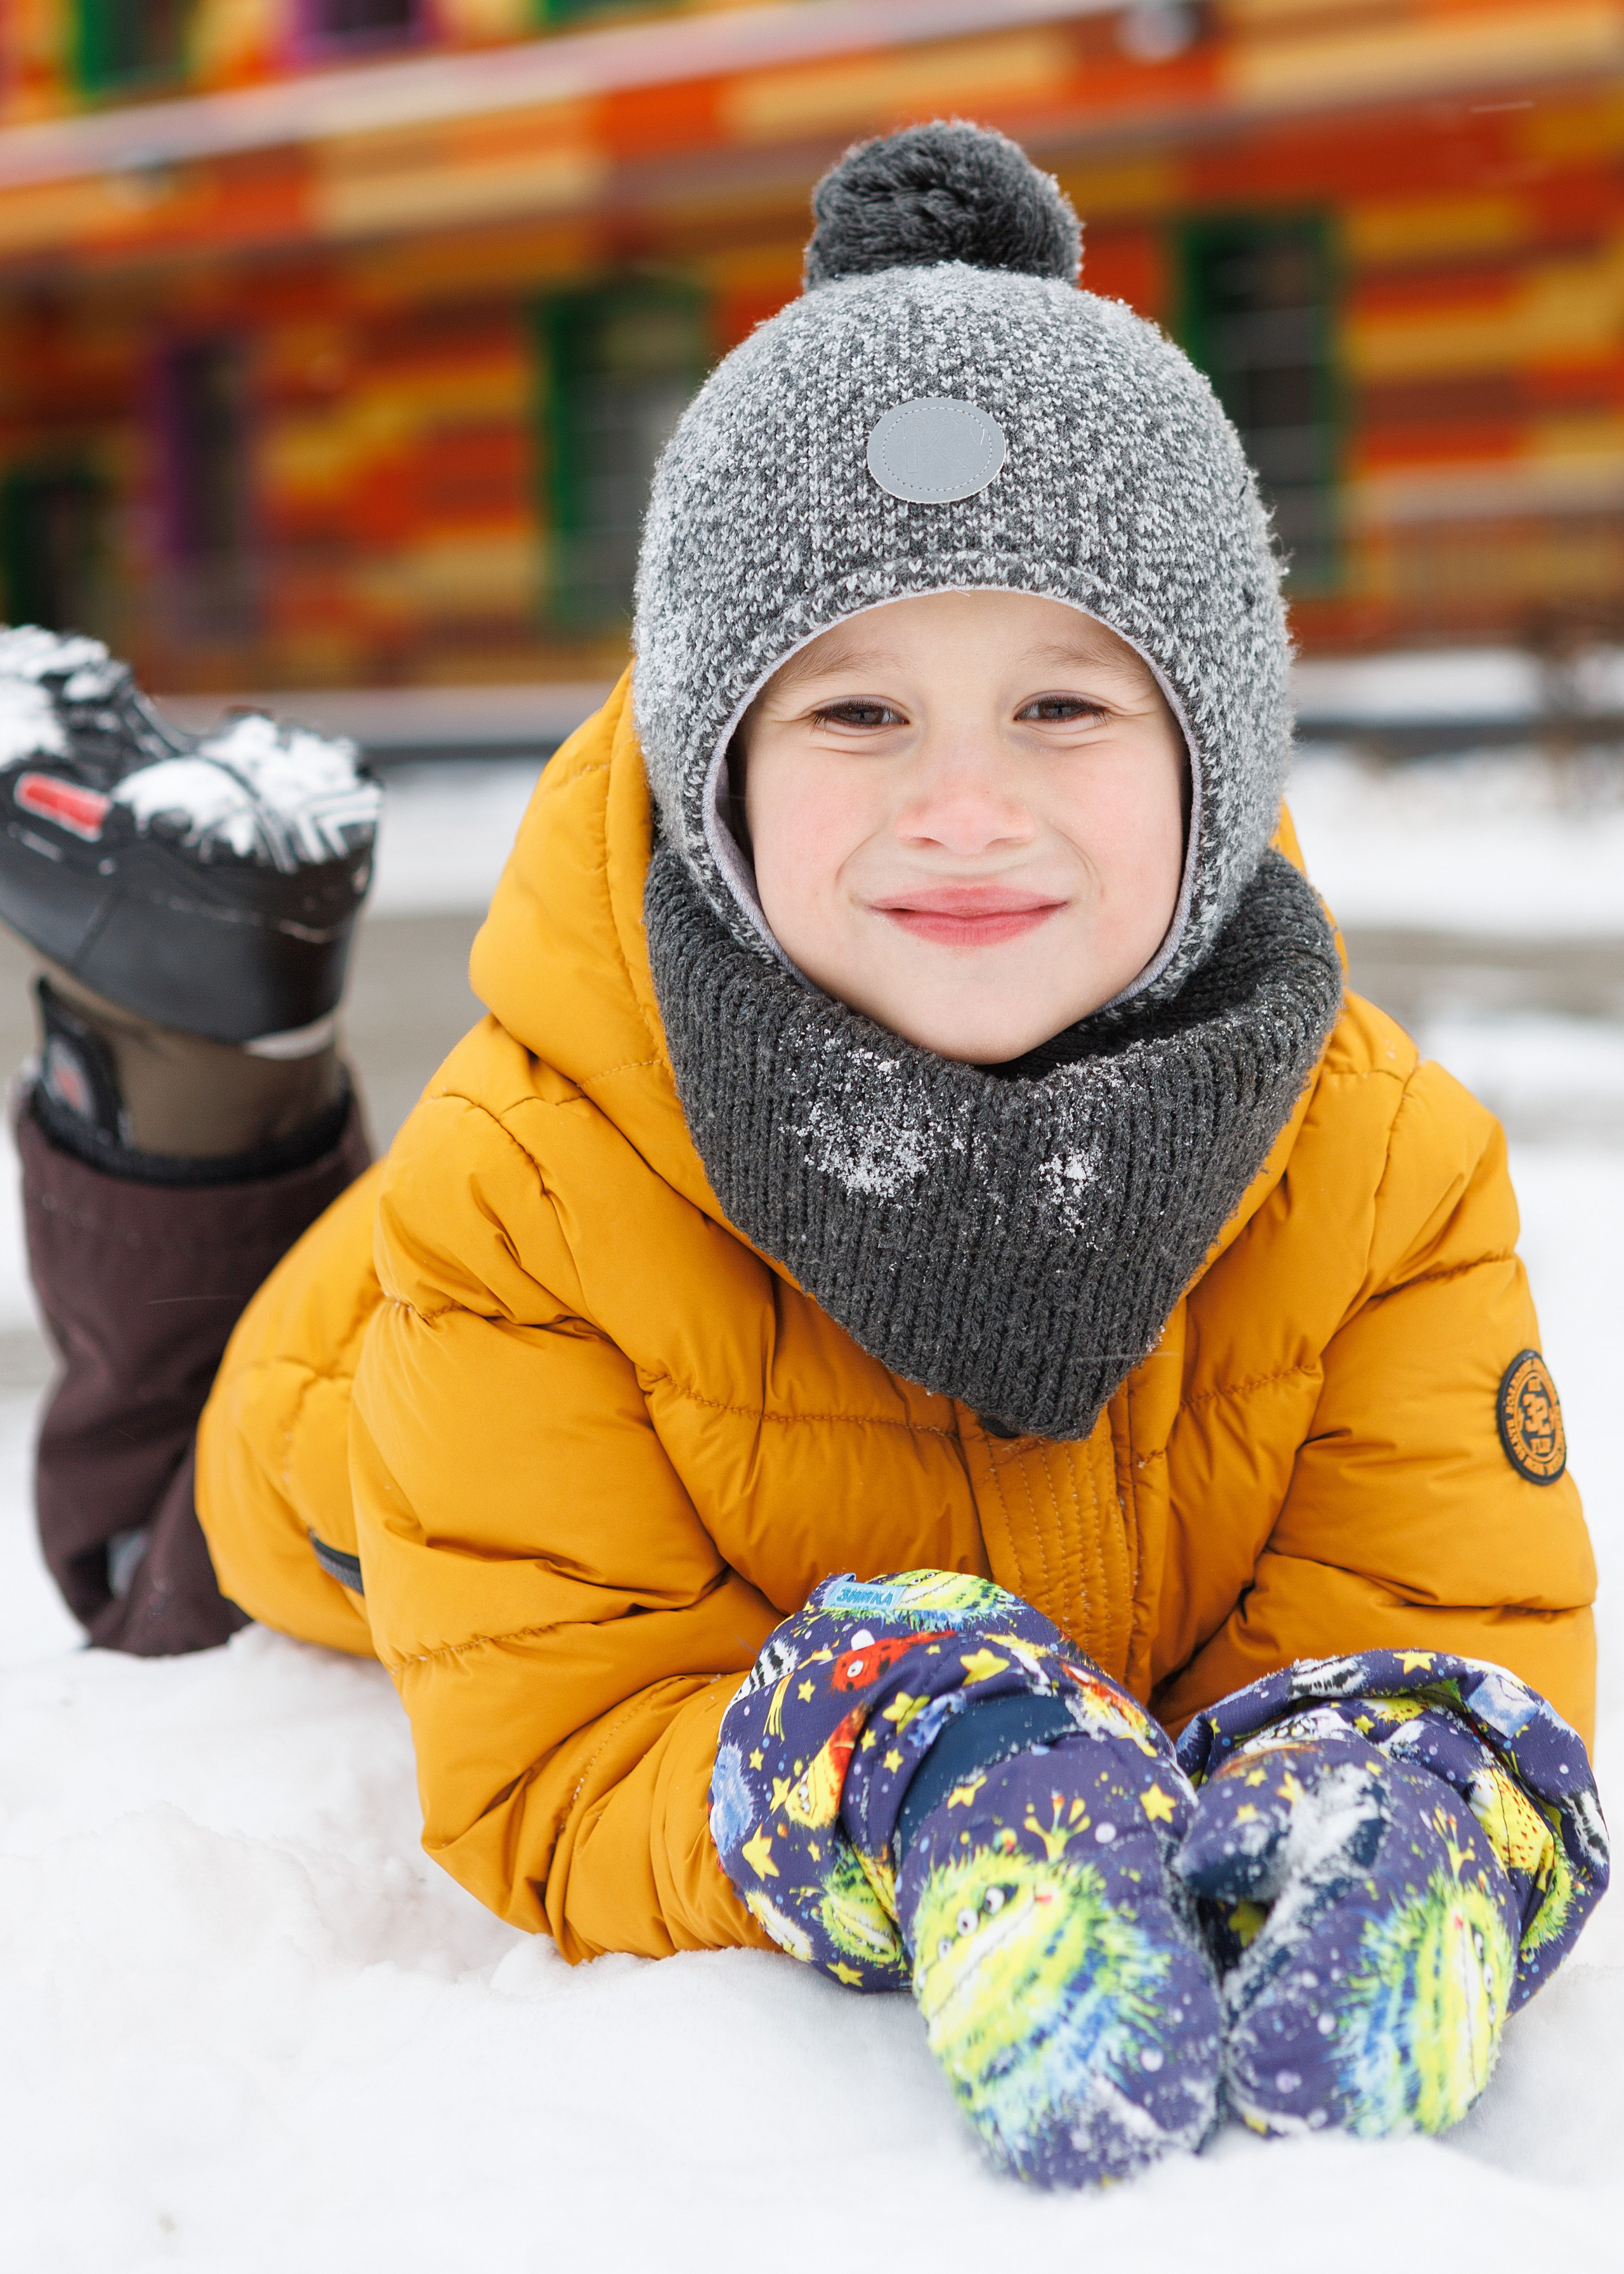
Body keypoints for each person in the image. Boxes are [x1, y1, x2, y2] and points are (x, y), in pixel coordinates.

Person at [0, 124, 1606, 2188]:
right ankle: (201, 1020)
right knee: (145, 1532)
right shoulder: (524, 1189)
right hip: (323, 1435)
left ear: (1217, 752)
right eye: (856, 716)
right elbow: (565, 1740)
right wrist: (878, 1754)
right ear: (719, 771)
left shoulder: (1383, 1162)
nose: (967, 809)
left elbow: (1437, 1612)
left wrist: (1408, 1789)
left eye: (1063, 706)